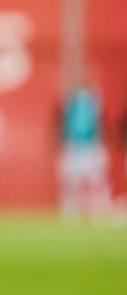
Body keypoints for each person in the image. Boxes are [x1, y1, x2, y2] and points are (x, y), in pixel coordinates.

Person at [58, 80, 111, 218]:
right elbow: (64, 127)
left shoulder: (93, 106)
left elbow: (99, 125)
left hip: (91, 146)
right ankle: (70, 210)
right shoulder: (71, 106)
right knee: (72, 181)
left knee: (96, 180)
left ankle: (100, 209)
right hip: (74, 147)